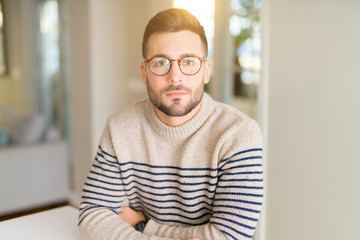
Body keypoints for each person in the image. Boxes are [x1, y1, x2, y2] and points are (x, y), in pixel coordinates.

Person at [78, 8, 264, 240]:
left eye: (188, 61)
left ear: (206, 71)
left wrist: (145, 226)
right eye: (160, 62)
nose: (175, 76)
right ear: (145, 72)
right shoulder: (120, 127)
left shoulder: (238, 134)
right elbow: (92, 215)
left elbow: (228, 237)